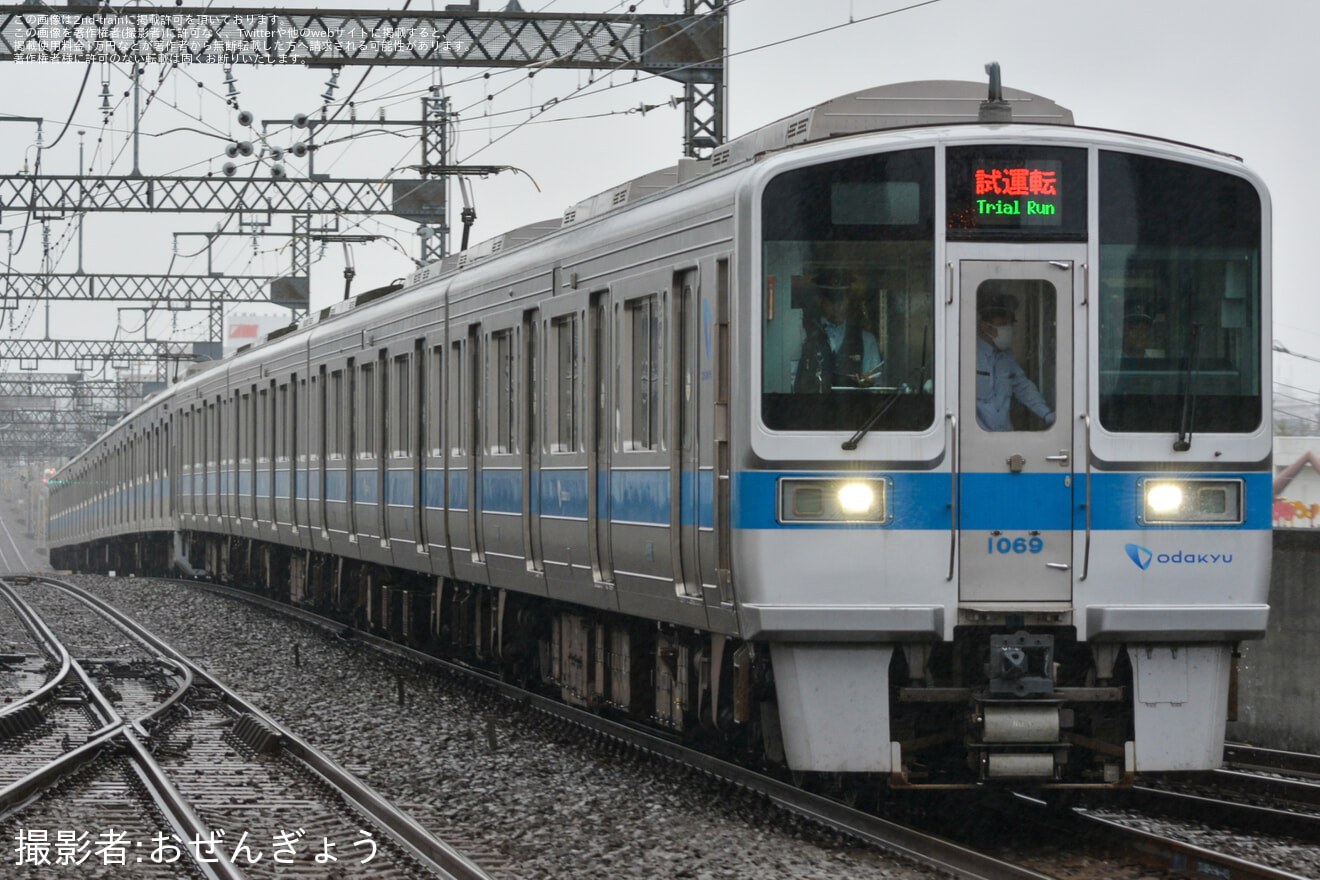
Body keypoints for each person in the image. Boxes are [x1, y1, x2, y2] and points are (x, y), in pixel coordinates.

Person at [793, 269, 883, 393]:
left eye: (842, 299)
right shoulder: (802, 335)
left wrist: (868, 382)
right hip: (813, 409)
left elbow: (876, 389)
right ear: (819, 299)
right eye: (832, 300)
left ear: (848, 300)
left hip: (853, 410)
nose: (838, 306)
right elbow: (792, 382)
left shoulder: (866, 340)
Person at [976, 295, 1055, 431]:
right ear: (985, 326)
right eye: (1002, 325)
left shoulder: (1007, 357)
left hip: (1005, 437)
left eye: (1010, 324)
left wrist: (1047, 414)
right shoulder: (967, 354)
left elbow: (1023, 387)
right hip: (974, 440)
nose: (1008, 329)